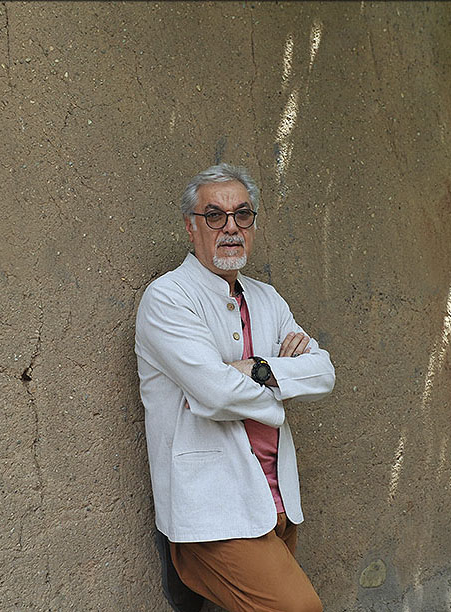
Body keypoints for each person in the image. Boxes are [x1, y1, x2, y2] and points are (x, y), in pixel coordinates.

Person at [135, 163, 335, 612]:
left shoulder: (267, 298)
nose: (230, 227)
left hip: (277, 498)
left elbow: (323, 372)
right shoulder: (168, 298)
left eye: (242, 214)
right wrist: (282, 381)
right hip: (215, 509)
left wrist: (257, 368)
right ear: (190, 227)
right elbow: (218, 392)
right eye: (214, 216)